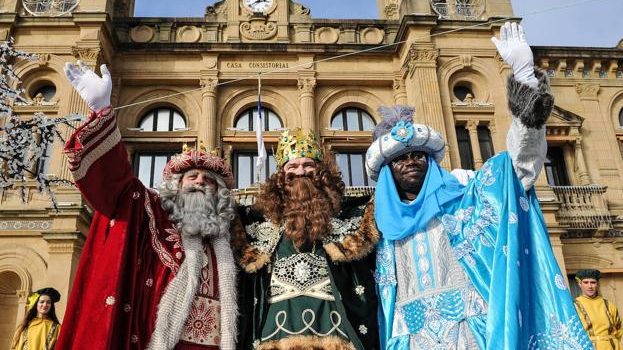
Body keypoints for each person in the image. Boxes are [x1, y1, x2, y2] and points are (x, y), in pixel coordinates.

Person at [367, 22, 592, 349]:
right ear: (386, 171)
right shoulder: (376, 228)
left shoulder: (463, 196)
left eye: (419, 154)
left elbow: (518, 169)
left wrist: (525, 79)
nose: (411, 161)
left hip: (473, 335)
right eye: (400, 158)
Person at [55, 62, 238, 349]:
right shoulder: (151, 212)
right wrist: (103, 111)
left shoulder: (233, 235)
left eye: (209, 180)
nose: (200, 182)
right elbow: (118, 184)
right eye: (192, 176)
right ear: (177, 186)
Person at [232, 128, 380, 350]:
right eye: (292, 166)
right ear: (281, 176)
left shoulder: (351, 216)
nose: (300, 171)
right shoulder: (257, 223)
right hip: (275, 330)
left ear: (321, 172)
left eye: (307, 165)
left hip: (334, 326)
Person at [574, 269, 622, 349]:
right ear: (579, 284)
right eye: (586, 282)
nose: (590, 286)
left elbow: (619, 330)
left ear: (597, 284)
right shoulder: (574, 306)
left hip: (612, 346)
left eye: (593, 282)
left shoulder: (609, 305)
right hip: (588, 347)